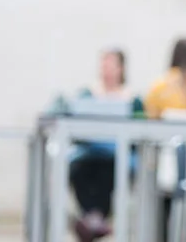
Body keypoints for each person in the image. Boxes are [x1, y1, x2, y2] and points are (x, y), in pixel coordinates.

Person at [68, 48, 131, 242]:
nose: (106, 69)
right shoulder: (87, 94)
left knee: (109, 171)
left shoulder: (130, 97)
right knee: (78, 169)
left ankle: (91, 220)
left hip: (114, 156)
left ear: (121, 68)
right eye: (104, 64)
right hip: (87, 154)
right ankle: (94, 219)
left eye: (111, 64)